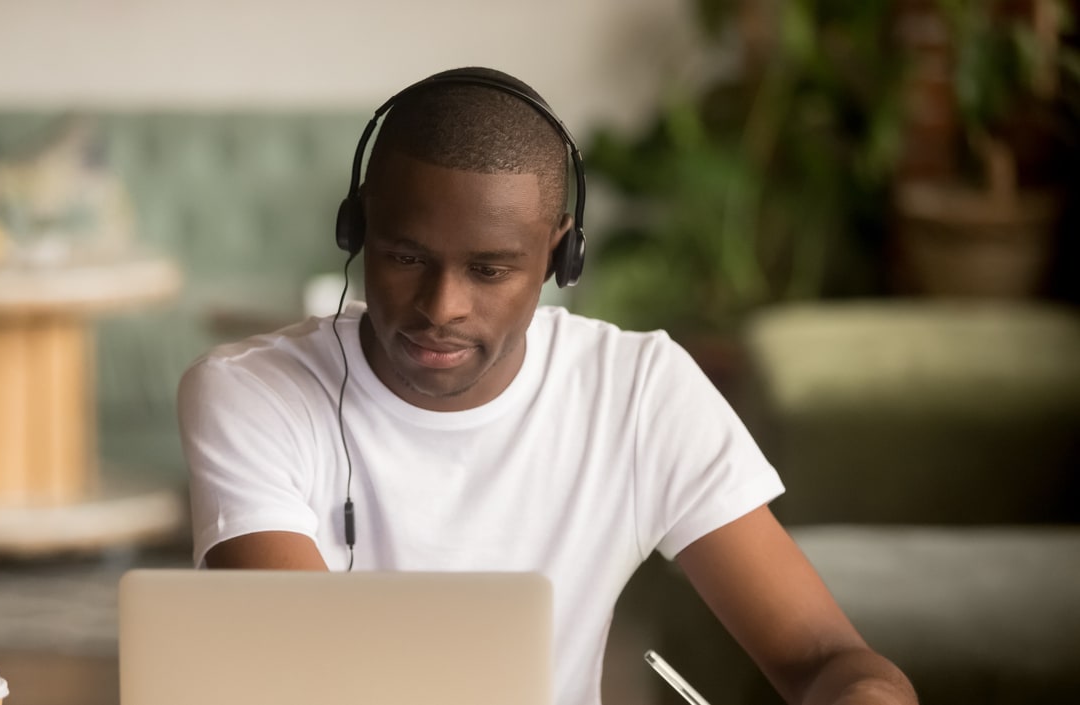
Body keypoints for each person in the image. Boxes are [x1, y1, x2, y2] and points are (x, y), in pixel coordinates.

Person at [177, 67, 917, 705]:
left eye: (490, 270)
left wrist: (864, 693)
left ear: (561, 255)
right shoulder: (253, 394)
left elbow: (825, 656)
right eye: (405, 256)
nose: (442, 308)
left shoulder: (639, 393)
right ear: (358, 225)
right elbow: (296, 676)